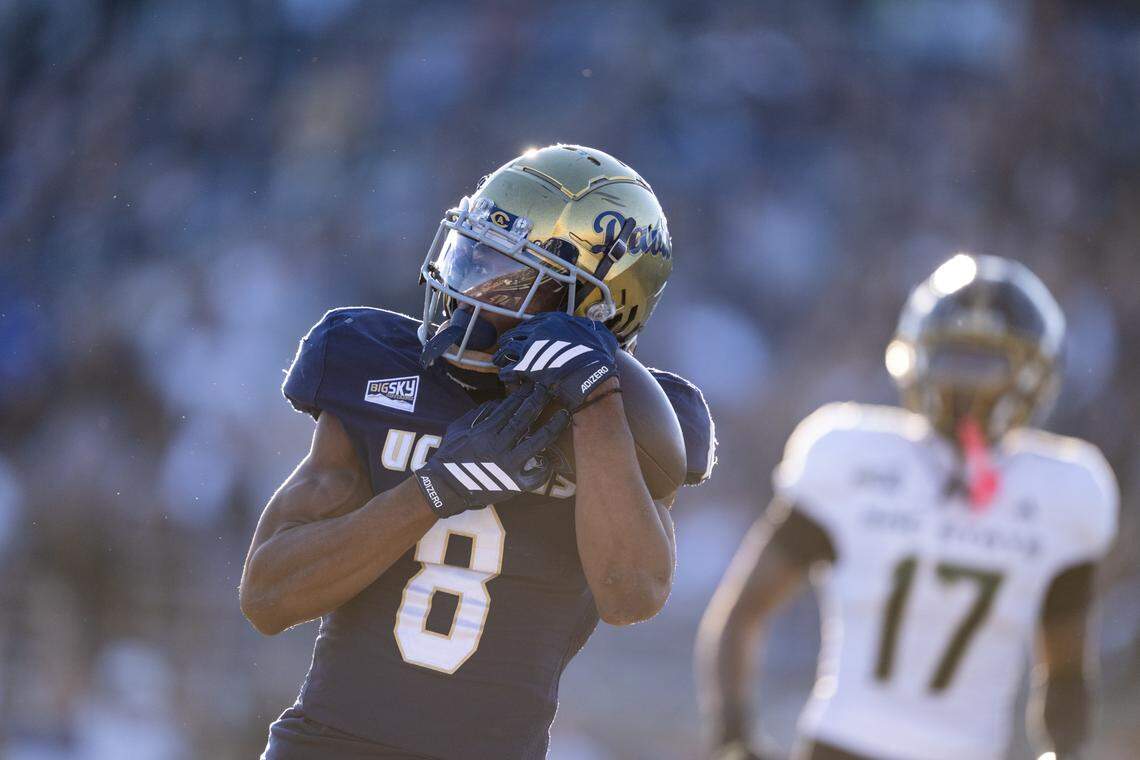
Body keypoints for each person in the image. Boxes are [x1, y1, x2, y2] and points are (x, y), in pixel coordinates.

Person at [240, 144, 716, 759]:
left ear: (595, 306)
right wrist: (433, 490)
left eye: (512, 275)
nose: (469, 290)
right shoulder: (377, 365)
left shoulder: (643, 420)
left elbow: (631, 595)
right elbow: (269, 597)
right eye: (472, 255)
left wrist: (595, 405)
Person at [697, 254, 1116, 760]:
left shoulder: (1064, 489)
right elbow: (743, 613)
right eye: (957, 362)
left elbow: (1066, 671)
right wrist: (733, 737)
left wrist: (732, 735)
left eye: (988, 367)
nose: (968, 391)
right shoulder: (853, 457)